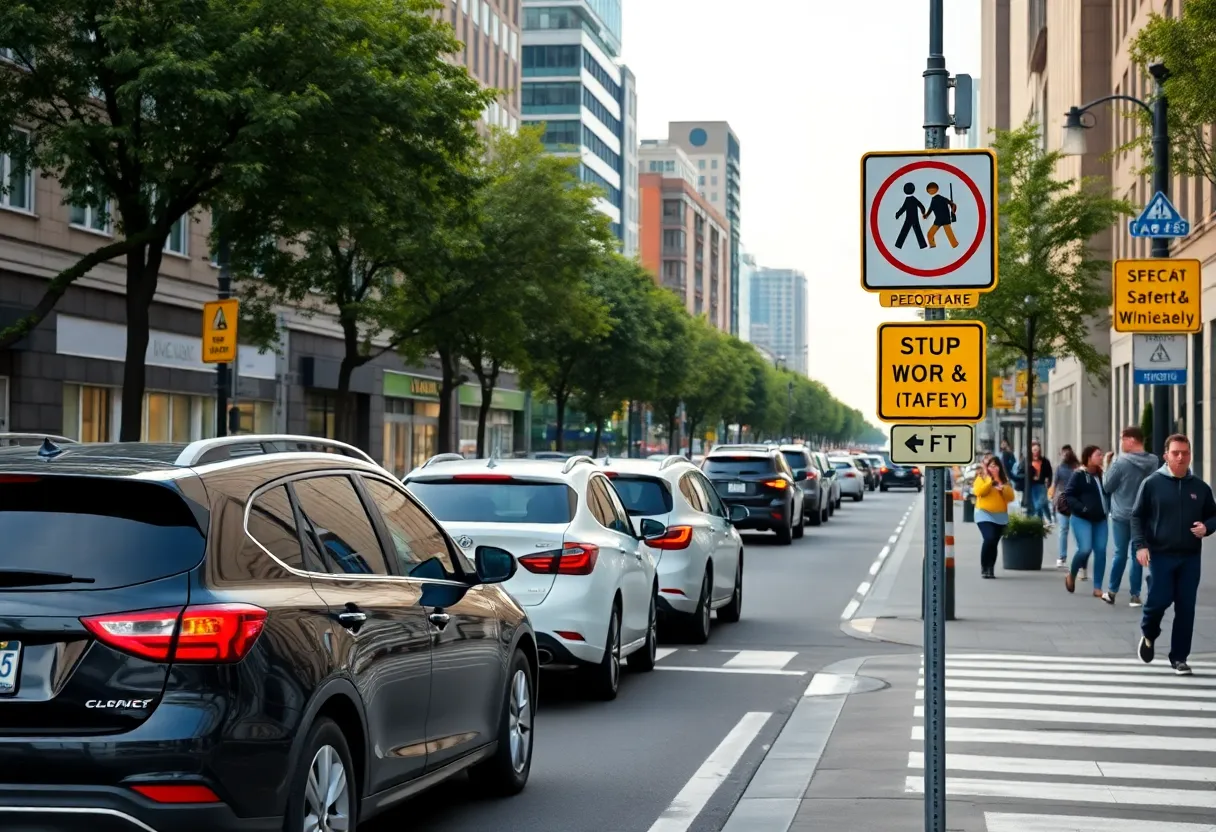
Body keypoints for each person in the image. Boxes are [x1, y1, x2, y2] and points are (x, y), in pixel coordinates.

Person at [1133, 434, 1216, 675]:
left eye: (1185, 453)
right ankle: (1149, 633)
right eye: (1176, 453)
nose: (1181, 457)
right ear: (1166, 455)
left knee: (1186, 607)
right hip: (1160, 554)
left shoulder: (1200, 488)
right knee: (1159, 600)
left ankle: (1179, 657)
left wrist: (1207, 528)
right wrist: (1141, 545)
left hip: (1190, 557)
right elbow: (1137, 516)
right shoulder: (1151, 483)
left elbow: (1213, 515)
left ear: (1190, 455)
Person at [1102, 426, 1159, 607]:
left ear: (1131, 440)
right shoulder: (1153, 461)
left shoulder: (1120, 462)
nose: (1120, 442)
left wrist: (1106, 465)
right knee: (1138, 553)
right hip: (1142, 515)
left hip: (1121, 514)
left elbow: (1107, 486)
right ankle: (1135, 595)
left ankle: (1111, 592)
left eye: (1122, 439)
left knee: (1120, 553)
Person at [1063, 445, 1109, 597]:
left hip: (1101, 519)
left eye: (1101, 455)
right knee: (1085, 549)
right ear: (1089, 458)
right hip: (1082, 518)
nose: (1101, 457)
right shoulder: (1079, 475)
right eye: (1098, 455)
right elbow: (1069, 495)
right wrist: (1082, 508)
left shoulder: (1102, 474)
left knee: (1101, 551)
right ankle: (1072, 574)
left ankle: (1097, 588)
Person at [973, 456, 1015, 579]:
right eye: (991, 466)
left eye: (996, 466)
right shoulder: (982, 478)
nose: (994, 468)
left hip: (1000, 515)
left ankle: (990, 568)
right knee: (989, 538)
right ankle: (984, 567)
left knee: (994, 542)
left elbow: (1010, 497)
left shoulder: (1004, 480)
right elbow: (979, 492)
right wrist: (990, 481)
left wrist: (1002, 488)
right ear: (988, 468)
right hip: (983, 513)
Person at [1052, 446, 1081, 570]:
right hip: (1063, 501)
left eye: (1066, 453)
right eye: (1063, 453)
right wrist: (1054, 500)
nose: (1064, 456)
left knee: (1073, 530)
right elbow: (1055, 484)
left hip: (1073, 501)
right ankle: (1062, 556)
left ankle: (1077, 556)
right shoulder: (1060, 468)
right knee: (1064, 529)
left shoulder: (1077, 467)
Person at [922, 181, 958, 248]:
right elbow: (953, 205)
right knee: (949, 235)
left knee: (930, 234)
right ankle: (954, 244)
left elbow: (930, 209)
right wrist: (953, 212)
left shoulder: (936, 199)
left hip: (940, 219)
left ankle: (933, 245)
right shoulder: (941, 198)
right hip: (943, 219)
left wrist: (926, 216)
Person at [1025, 441, 1053, 523]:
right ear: (1031, 451)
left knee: (1039, 504)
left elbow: (1049, 472)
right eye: (1034, 450)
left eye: (1037, 450)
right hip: (1031, 485)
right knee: (1040, 504)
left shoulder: (1045, 461)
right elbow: (1023, 472)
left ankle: (1038, 519)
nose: (1036, 452)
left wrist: (1049, 481)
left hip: (1041, 485)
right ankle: (1040, 521)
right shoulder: (1028, 461)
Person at [894, 182, 927, 250]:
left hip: (908, 219)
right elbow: (921, 206)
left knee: (904, 231)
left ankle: (898, 245)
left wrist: (898, 214)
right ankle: (923, 245)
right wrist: (923, 212)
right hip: (914, 218)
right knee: (918, 232)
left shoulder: (907, 200)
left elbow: (903, 208)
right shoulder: (914, 199)